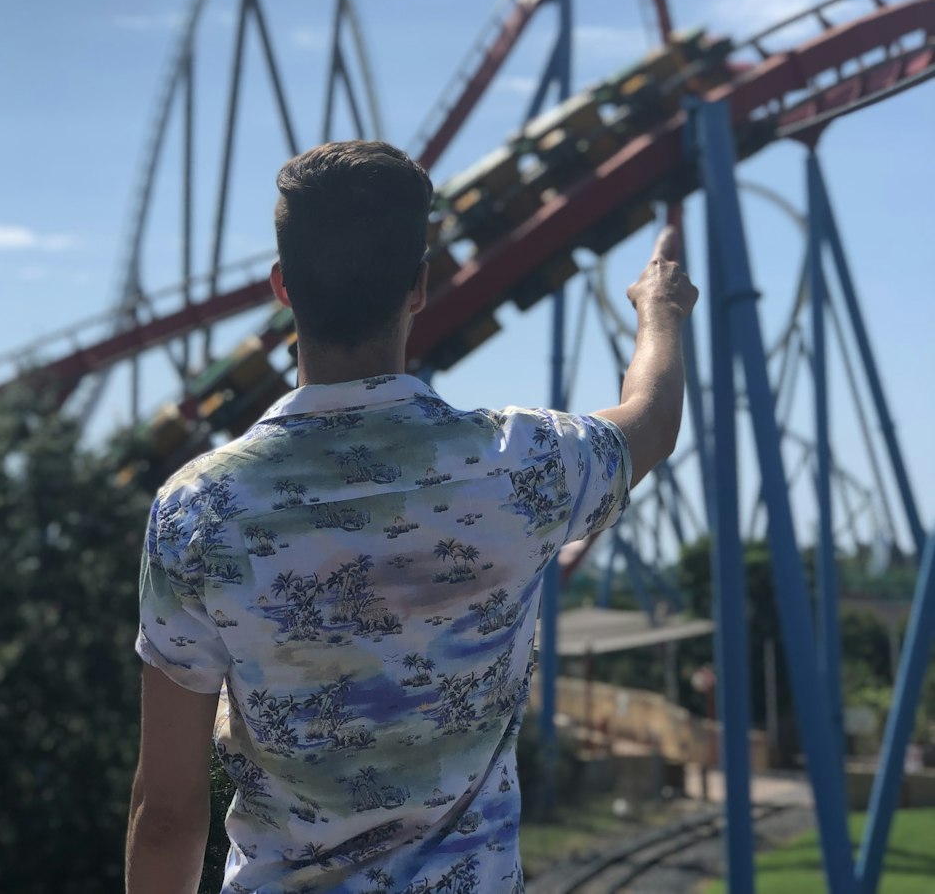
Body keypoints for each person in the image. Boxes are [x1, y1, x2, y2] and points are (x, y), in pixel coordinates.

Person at [125, 140, 697, 894]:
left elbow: (165, 812)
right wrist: (660, 310)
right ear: (419, 287)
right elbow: (651, 421)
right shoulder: (519, 463)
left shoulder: (198, 509)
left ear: (282, 288)